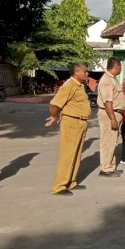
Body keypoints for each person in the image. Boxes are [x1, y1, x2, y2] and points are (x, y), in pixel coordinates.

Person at [46, 63, 91, 196]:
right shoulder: (69, 85)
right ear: (76, 73)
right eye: (85, 71)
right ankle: (59, 186)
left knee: (76, 154)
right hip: (71, 122)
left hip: (80, 122)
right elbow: (54, 104)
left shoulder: (79, 85)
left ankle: (71, 181)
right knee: (67, 154)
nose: (87, 74)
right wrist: (55, 116)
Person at [96, 57, 125, 177]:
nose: (121, 68)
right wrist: (113, 118)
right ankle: (106, 169)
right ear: (116, 66)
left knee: (112, 141)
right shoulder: (107, 80)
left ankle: (111, 166)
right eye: (120, 66)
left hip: (114, 113)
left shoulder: (112, 79)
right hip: (109, 114)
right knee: (108, 142)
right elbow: (108, 102)